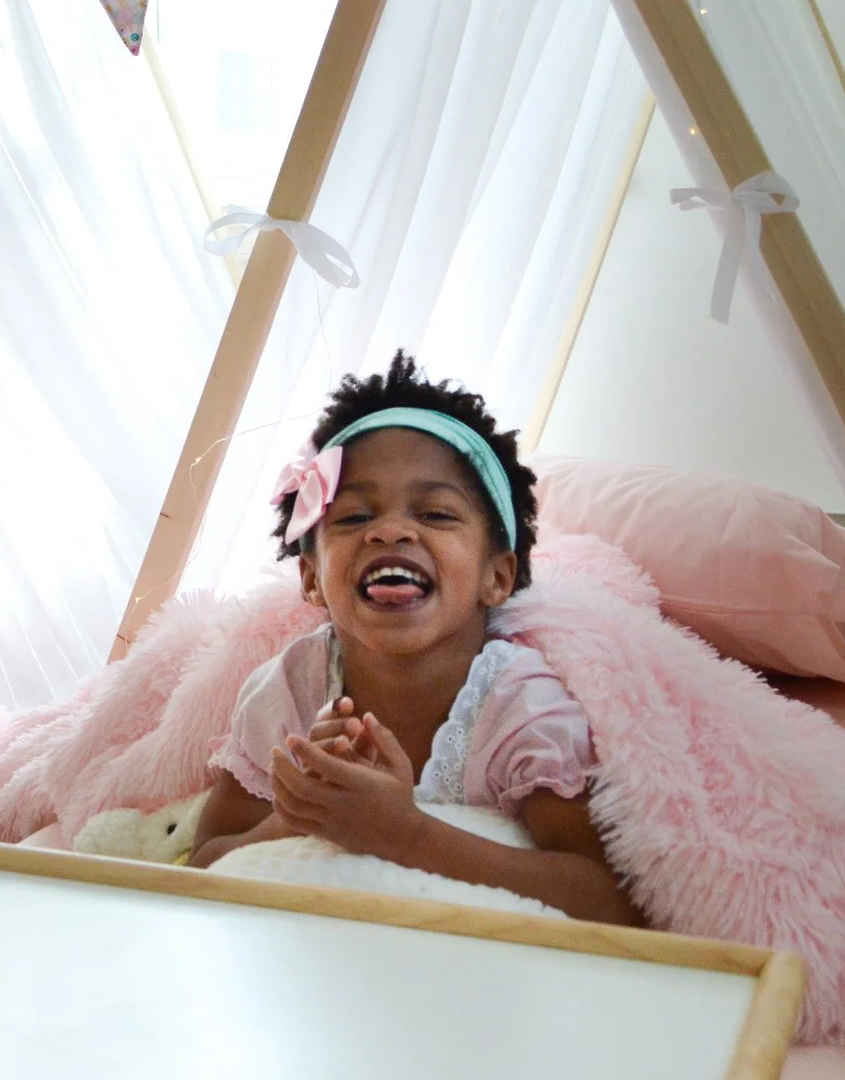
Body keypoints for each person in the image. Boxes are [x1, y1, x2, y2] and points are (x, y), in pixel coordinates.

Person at [185, 352, 639, 925]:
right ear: (310, 578)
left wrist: (405, 834)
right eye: (351, 518)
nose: (392, 530)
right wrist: (297, 815)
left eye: (438, 514)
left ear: (496, 576)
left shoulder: (521, 708)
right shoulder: (287, 693)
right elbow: (201, 866)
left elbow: (610, 905)